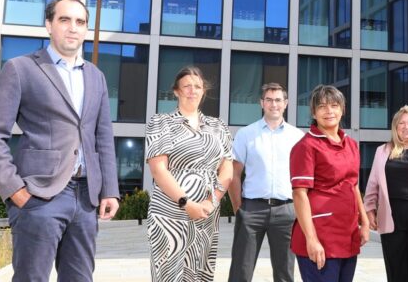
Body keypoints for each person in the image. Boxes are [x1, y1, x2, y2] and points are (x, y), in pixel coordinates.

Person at [0, 0, 120, 282]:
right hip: (40, 196)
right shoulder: (21, 69)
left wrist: (110, 190)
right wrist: (14, 190)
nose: (73, 28)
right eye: (64, 20)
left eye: (80, 22)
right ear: (49, 25)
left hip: (86, 199)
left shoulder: (96, 76)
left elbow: (103, 136)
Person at [144, 66, 234, 281]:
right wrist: (186, 203)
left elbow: (227, 169)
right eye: (186, 86)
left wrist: (211, 202)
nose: (192, 91)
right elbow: (158, 169)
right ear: (176, 91)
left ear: (204, 91)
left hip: (206, 213)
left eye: (197, 86)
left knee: (200, 273)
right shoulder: (160, 122)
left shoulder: (218, 126)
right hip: (169, 212)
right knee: (167, 274)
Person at [290, 85, 369, 282]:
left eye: (334, 105)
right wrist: (312, 239)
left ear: (342, 110)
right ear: (313, 112)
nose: (329, 111)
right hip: (320, 235)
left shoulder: (351, 144)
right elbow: (300, 194)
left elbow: (353, 186)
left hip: (347, 234)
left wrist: (365, 222)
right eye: (322, 106)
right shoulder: (306, 146)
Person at [227, 83, 304, 282]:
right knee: (240, 271)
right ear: (262, 103)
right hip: (252, 210)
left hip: (287, 211)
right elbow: (234, 174)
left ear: (285, 103)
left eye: (278, 100)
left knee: (285, 273)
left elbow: (303, 177)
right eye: (269, 100)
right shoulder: (246, 134)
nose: (273, 104)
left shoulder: (297, 137)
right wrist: (238, 208)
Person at [363, 106, 408, 282]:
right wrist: (369, 210)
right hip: (391, 220)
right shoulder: (383, 151)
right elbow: (373, 184)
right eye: (401, 123)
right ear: (395, 127)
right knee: (396, 273)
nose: (406, 127)